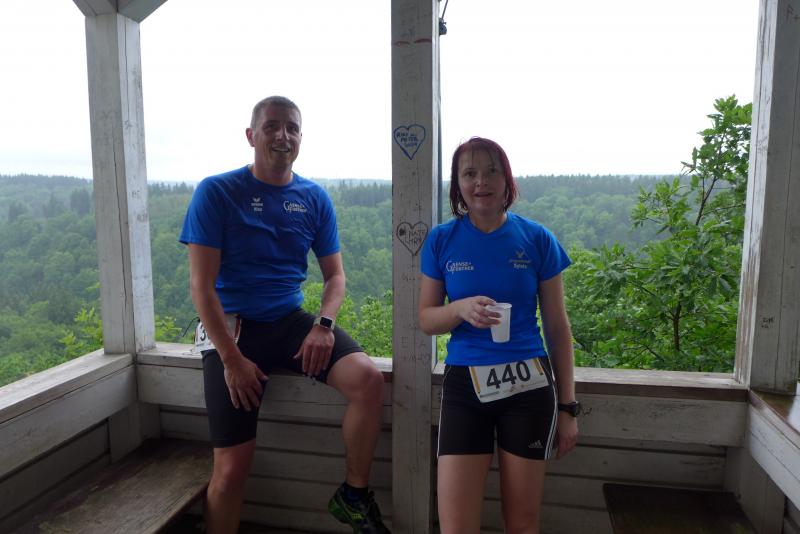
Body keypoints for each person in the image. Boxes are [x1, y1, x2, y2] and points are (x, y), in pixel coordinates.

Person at [180, 95, 390, 534]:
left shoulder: (313, 198)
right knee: (232, 469)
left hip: (290, 321)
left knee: (369, 381)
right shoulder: (217, 192)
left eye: (292, 128)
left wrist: (323, 325)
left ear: (300, 138)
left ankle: (353, 496)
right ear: (251, 135)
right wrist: (232, 360)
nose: (283, 135)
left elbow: (336, 277)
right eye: (272, 126)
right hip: (233, 330)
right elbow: (201, 287)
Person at [418, 137, 579, 534]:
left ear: (507, 179)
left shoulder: (537, 239)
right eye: (469, 173)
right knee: (456, 526)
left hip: (529, 387)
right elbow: (427, 319)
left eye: (491, 171)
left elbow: (558, 328)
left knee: (522, 523)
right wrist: (459, 309)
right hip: (465, 387)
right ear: (457, 184)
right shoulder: (442, 239)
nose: (481, 182)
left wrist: (568, 408)